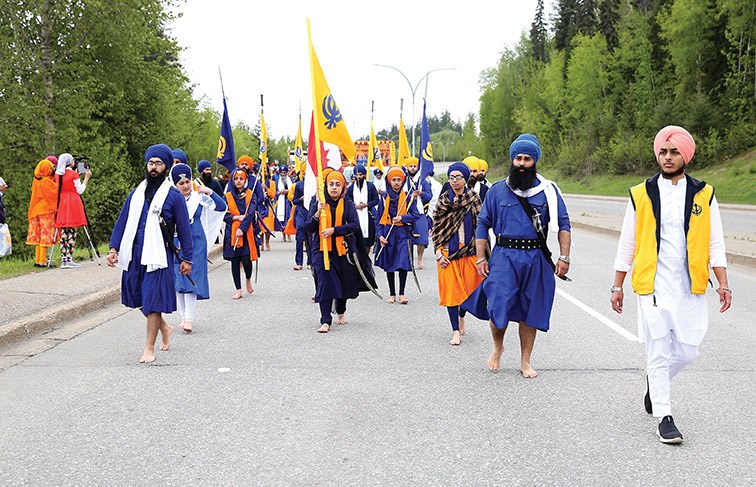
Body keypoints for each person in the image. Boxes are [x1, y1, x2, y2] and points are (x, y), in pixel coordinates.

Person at [610, 125, 731, 444]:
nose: (667, 157)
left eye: (673, 151)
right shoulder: (641, 194)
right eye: (662, 151)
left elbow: (715, 243)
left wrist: (723, 282)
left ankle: (654, 378)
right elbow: (627, 242)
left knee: (688, 350)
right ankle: (664, 415)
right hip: (652, 284)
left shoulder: (705, 194)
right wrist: (617, 284)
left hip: (689, 284)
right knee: (659, 347)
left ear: (685, 155)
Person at [462, 134, 571, 377]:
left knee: (530, 310)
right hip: (503, 257)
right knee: (497, 306)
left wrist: (564, 257)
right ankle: (498, 347)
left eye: (527, 159)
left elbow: (564, 224)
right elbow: (483, 224)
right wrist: (481, 258)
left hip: (536, 258)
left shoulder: (548, 192)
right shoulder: (498, 190)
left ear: (535, 161)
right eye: (518, 158)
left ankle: (525, 361)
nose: (522, 163)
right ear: (513, 160)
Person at [106, 144, 193, 364]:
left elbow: (184, 230)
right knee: (138, 298)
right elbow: (122, 222)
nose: (153, 168)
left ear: (166, 167)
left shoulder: (174, 196)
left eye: (158, 163)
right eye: (151, 163)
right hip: (134, 253)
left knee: (153, 301)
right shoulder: (136, 193)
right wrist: (114, 248)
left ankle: (148, 348)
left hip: (158, 256)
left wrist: (187, 258)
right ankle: (164, 326)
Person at [306, 169, 376, 333]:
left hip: (342, 250)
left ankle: (341, 310)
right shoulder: (318, 203)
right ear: (326, 186)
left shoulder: (348, 204)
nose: (334, 188)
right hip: (321, 250)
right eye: (331, 184)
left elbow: (354, 225)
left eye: (338, 184)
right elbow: (307, 227)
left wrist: (334, 230)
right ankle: (325, 321)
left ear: (343, 187)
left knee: (343, 283)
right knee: (324, 284)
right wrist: (317, 213)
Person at [170, 163, 226, 333]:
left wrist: (209, 191)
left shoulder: (198, 197)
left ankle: (189, 318)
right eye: (181, 183)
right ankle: (182, 316)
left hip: (196, 241)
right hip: (176, 241)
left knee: (191, 277)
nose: (186, 186)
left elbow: (221, 207)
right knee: (178, 280)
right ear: (175, 185)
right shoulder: (171, 199)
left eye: (188, 181)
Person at [431, 162, 483, 346]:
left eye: (458, 177)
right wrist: (438, 253)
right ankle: (455, 331)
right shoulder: (443, 201)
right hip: (447, 254)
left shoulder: (474, 199)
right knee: (452, 293)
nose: (454, 181)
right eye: (451, 177)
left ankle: (462, 315)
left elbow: (481, 228)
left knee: (468, 292)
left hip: (469, 253)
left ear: (465, 178)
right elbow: (435, 229)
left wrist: (483, 256)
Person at [374, 165, 420, 304]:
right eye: (393, 179)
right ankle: (392, 293)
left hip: (402, 234)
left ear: (403, 181)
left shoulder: (408, 198)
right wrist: (380, 235)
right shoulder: (384, 198)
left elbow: (415, 215)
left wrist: (402, 218)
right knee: (390, 263)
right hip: (388, 232)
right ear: (389, 181)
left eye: (399, 180)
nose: (396, 182)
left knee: (402, 263)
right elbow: (379, 219)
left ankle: (402, 293)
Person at [223, 167, 264, 300]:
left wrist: (242, 227)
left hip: (247, 232)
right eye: (236, 179)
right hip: (232, 233)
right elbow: (224, 215)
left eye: (241, 179)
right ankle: (238, 289)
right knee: (234, 262)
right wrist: (235, 218)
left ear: (245, 180)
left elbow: (250, 213)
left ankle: (247, 279)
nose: (239, 181)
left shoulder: (251, 194)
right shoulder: (227, 196)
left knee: (246, 261)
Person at [54, 153, 92, 269]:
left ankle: (64, 258)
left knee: (64, 232)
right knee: (72, 231)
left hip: (62, 203)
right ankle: (69, 258)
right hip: (73, 202)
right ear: (71, 162)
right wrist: (86, 178)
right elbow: (79, 190)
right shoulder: (73, 174)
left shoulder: (58, 175)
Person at [26, 159, 58, 267]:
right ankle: (43, 261)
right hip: (46, 210)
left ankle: (38, 260)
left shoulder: (36, 180)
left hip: (35, 210)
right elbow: (56, 192)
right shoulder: (46, 181)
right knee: (45, 236)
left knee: (38, 237)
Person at [403, 157, 432, 269]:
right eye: (411, 166)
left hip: (420, 212)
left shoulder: (423, 181)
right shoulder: (403, 180)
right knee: (407, 238)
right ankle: (408, 261)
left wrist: (421, 193)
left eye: (415, 166)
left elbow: (429, 196)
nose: (413, 168)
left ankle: (419, 259)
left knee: (422, 238)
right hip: (407, 211)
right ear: (407, 167)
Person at [345, 164, 379, 252]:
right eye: (357, 175)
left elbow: (376, 199)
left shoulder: (370, 186)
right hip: (355, 217)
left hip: (368, 215)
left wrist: (367, 204)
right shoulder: (351, 188)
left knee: (368, 241)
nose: (359, 177)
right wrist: (355, 206)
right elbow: (347, 200)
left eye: (360, 174)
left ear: (364, 175)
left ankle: (366, 258)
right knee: (356, 240)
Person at [290, 166, 311, 270]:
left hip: (311, 213)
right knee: (299, 238)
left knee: (311, 239)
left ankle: (310, 262)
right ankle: (299, 262)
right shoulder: (299, 185)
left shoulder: (316, 185)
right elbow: (294, 201)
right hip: (301, 213)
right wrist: (301, 199)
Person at [274, 164, 293, 242]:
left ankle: (289, 235)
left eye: (284, 173)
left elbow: (293, 189)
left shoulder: (290, 180)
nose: (283, 174)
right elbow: (274, 192)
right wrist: (279, 193)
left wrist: (287, 191)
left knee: (288, 217)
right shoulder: (276, 180)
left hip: (288, 201)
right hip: (280, 201)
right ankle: (283, 235)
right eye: (281, 173)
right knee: (281, 219)